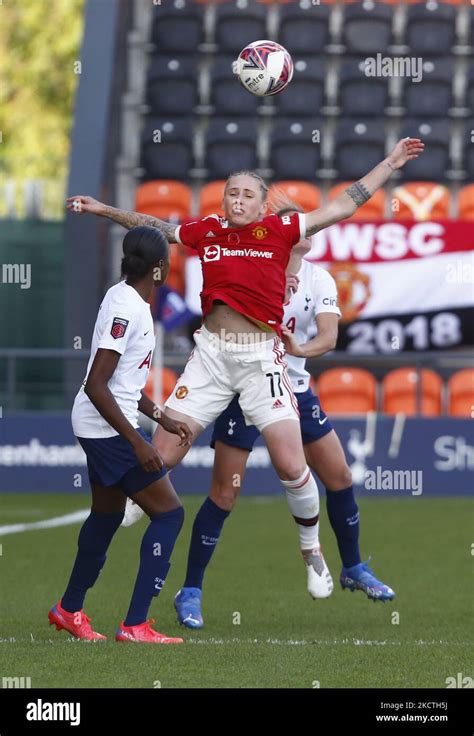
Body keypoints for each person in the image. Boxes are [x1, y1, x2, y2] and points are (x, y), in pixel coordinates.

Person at [67, 137, 424, 609]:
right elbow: (154, 226)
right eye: (230, 193)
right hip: (212, 357)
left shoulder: (281, 231)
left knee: (292, 465)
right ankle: (132, 508)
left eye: (246, 195)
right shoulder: (208, 231)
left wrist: (392, 163)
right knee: (164, 451)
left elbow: (343, 205)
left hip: (261, 360)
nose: (236, 200)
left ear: (261, 206)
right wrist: (103, 209)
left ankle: (312, 552)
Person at [172, 201, 395, 628]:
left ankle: (352, 568)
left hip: (293, 389)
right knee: (224, 494)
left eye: (308, 227)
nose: (305, 232)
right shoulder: (251, 261)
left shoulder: (320, 278)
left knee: (340, 477)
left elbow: (328, 336)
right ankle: (191, 590)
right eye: (296, 226)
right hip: (242, 388)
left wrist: (300, 350)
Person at [48, 226, 192, 644]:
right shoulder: (128, 308)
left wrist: (159, 416)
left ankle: (69, 610)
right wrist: (137, 441)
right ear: (160, 269)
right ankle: (135, 625)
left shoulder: (123, 297)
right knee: (169, 514)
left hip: (101, 422)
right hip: (104, 427)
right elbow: (97, 384)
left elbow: (123, 382)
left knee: (108, 515)